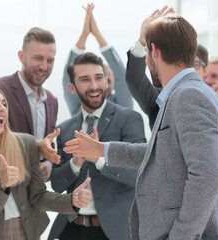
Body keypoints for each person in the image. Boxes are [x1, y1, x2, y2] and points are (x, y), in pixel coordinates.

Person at [65, 7, 218, 239]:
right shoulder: (185, 93)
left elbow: (208, 176)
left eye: (145, 52)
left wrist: (180, 236)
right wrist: (102, 149)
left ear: (153, 50)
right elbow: (162, 152)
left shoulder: (188, 96)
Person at [0, 85, 92, 240]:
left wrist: (71, 200)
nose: (2, 109)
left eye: (4, 104)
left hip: (27, 232)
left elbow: (38, 196)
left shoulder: (26, 144)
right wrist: (2, 186)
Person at [48, 52, 146, 240]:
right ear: (72, 87)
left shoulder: (129, 120)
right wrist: (75, 164)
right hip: (71, 229)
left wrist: (99, 159)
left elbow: (139, 175)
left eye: (99, 78)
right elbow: (57, 185)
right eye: (85, 80)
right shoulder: (65, 129)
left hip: (113, 232)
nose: (94, 86)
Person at [0, 27, 60, 181]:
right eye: (38, 58)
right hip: (0, 188)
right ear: (21, 56)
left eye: (50, 60)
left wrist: (48, 164)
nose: (44, 66)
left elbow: (49, 142)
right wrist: (36, 145)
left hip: (34, 194)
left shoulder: (52, 101)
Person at [62, 3, 133, 116]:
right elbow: (68, 79)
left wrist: (97, 34)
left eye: (105, 80)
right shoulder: (79, 107)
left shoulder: (122, 108)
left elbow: (122, 77)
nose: (95, 85)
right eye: (86, 79)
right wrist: (83, 36)